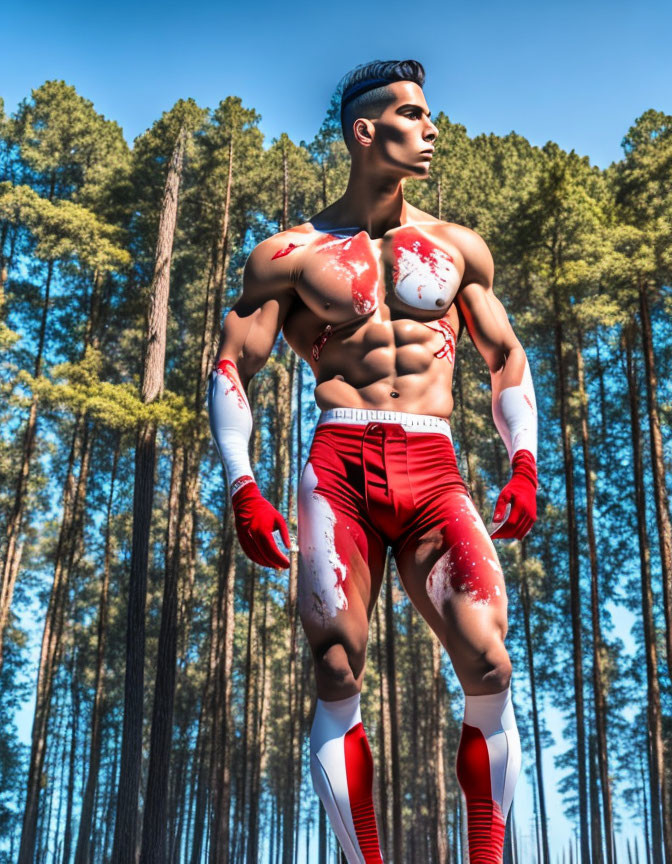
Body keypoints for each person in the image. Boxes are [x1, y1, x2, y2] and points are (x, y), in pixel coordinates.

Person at [208, 58, 537, 863]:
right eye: (414, 116)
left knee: (490, 660)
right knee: (334, 666)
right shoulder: (288, 255)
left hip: (433, 468)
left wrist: (523, 460)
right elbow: (229, 369)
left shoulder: (458, 248)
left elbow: (507, 362)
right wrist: (243, 485)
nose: (432, 129)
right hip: (341, 464)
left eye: (430, 116)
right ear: (365, 131)